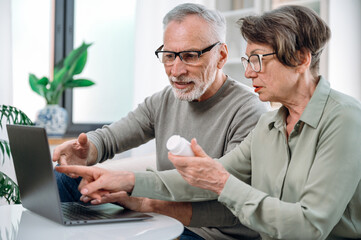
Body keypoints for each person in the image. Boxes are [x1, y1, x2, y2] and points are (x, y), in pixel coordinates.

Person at [56, 5, 361, 239]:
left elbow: (308, 226)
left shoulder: (344, 118)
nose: (250, 72)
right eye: (247, 61)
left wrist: (216, 183)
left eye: (258, 59)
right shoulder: (272, 125)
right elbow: (207, 176)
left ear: (300, 59)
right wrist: (129, 183)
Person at [54, 3, 270, 240]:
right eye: (169, 56)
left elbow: (229, 198)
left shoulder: (249, 110)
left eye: (190, 56)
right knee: (64, 179)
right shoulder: (163, 101)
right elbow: (111, 137)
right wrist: (86, 150)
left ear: (221, 56)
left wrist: (139, 194)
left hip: (209, 233)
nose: (176, 70)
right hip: (162, 218)